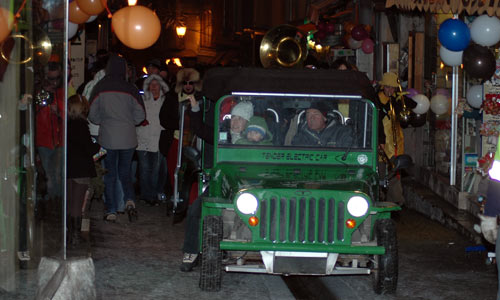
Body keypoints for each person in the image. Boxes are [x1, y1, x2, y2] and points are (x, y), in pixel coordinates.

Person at [88, 54, 145, 222]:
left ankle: (111, 209)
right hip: (128, 138)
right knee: (125, 173)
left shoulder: (100, 87)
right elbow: (141, 115)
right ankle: (129, 200)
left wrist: (101, 121)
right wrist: (130, 122)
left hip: (108, 138)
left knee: (110, 174)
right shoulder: (131, 88)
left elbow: (92, 114)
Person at [159, 68, 203, 199]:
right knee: (175, 171)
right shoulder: (172, 98)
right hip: (175, 140)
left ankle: (192, 199)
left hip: (194, 141)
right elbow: (164, 119)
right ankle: (176, 197)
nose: (188, 86)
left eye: (191, 83)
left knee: (193, 171)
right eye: (185, 83)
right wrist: (181, 124)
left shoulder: (201, 98)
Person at [376, 72, 417, 204]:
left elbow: (412, 106)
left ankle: (395, 203)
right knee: (382, 176)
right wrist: (380, 142)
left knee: (395, 176)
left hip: (396, 145)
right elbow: (377, 124)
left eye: (393, 88)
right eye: (388, 87)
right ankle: (383, 201)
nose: (390, 90)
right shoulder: (376, 101)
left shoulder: (395, 100)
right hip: (382, 146)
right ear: (383, 86)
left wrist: (402, 97)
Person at [66, 94, 100, 246]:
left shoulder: (68, 124)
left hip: (69, 168)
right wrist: (98, 146)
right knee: (77, 204)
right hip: (81, 169)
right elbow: (88, 148)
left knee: (70, 201)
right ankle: (75, 236)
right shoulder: (81, 125)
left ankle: (69, 234)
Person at [136, 74, 169, 206]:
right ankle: (145, 195)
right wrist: (139, 121)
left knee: (156, 169)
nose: (154, 87)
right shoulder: (142, 99)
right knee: (144, 168)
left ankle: (154, 194)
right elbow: (135, 114)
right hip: (142, 137)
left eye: (156, 84)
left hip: (158, 138)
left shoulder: (165, 100)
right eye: (151, 84)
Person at [35, 62, 65, 203]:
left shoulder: (61, 93)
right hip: (44, 139)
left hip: (59, 140)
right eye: (51, 79)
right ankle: (50, 201)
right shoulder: (38, 92)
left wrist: (57, 110)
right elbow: (31, 115)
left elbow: (69, 116)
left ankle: (57, 201)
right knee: (48, 174)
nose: (54, 82)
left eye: (57, 78)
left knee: (58, 173)